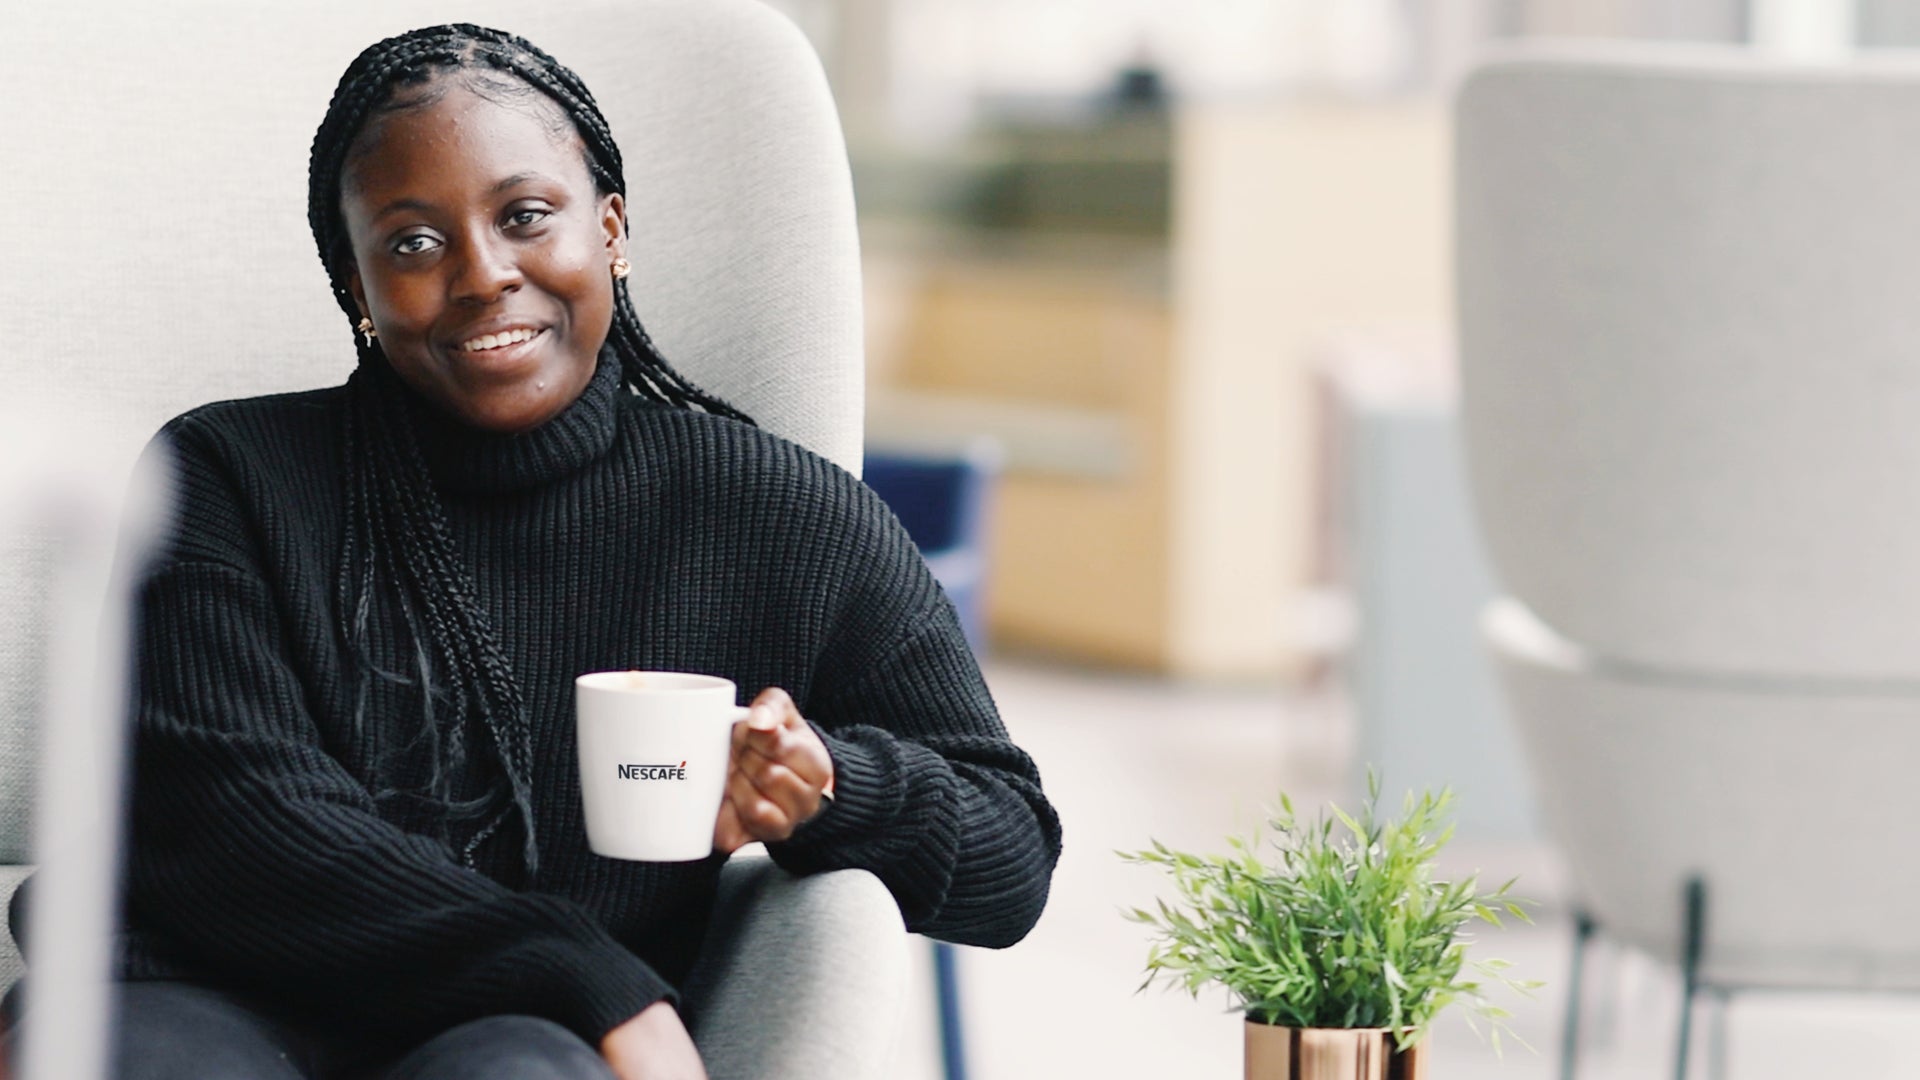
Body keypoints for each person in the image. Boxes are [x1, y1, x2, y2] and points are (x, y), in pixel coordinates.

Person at [7, 22, 1060, 1080]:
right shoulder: (225, 473)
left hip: (516, 1039)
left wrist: (835, 791)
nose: (481, 275)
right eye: (412, 243)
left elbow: (1012, 858)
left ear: (609, 228)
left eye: (524, 216)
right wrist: (590, 981)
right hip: (196, 991)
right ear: (355, 288)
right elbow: (237, 824)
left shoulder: (778, 515)